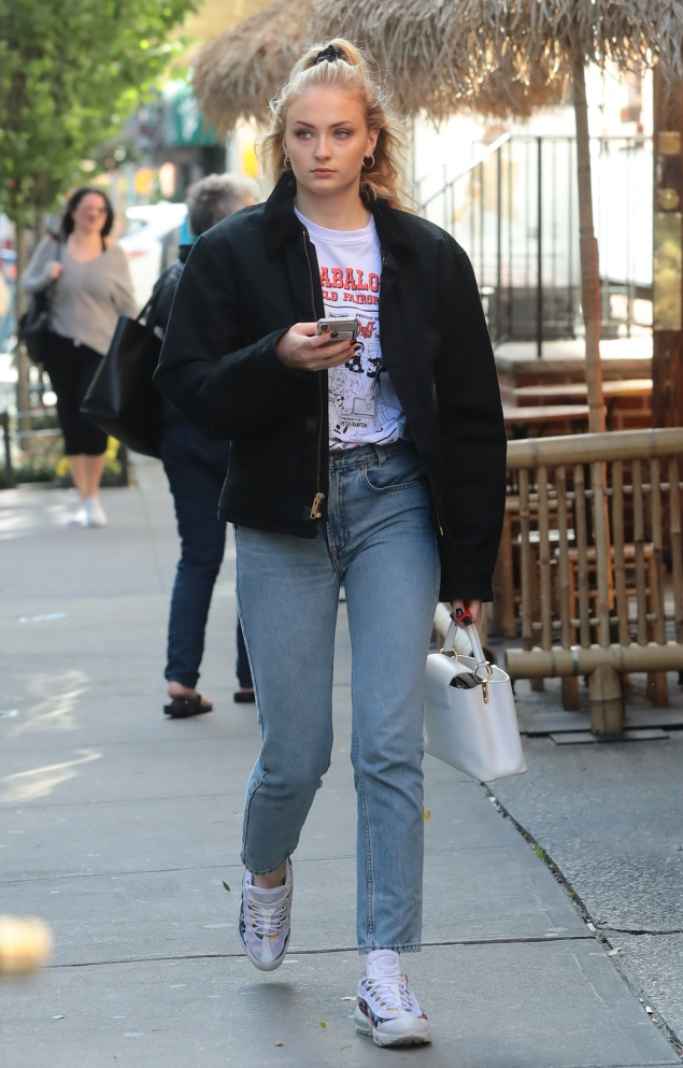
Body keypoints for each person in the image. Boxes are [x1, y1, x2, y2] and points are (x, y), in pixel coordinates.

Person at [156, 39, 506, 1049]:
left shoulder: (427, 256)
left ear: (369, 141)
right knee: (295, 754)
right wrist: (275, 357)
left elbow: (472, 417)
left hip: (395, 498)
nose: (321, 151)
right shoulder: (234, 254)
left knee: (389, 743)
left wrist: (468, 566)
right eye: (304, 133)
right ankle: (265, 871)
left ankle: (383, 968)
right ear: (284, 141)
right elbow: (187, 390)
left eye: (339, 132)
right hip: (282, 514)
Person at [145, 174, 258, 720]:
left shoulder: (172, 278)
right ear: (229, 220)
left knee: (198, 557)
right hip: (237, 433)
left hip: (183, 436)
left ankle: (181, 678)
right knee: (255, 555)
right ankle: (252, 674)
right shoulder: (241, 277)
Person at [22, 188, 136, 527]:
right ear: (73, 212)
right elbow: (28, 282)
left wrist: (136, 340)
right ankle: (82, 496)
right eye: (87, 208)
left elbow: (128, 304)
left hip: (99, 348)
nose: (94, 215)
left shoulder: (113, 253)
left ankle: (94, 496)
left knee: (93, 419)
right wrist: (48, 275)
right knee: (69, 417)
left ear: (107, 216)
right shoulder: (54, 245)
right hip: (60, 345)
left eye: (100, 210)